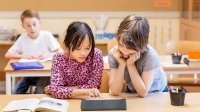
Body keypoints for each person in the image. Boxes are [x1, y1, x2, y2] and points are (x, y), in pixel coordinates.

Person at [108, 15, 168, 98]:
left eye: (129, 49)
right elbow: (114, 91)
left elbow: (143, 93)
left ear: (141, 46)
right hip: (132, 90)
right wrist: (121, 65)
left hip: (157, 91)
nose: (124, 52)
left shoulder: (150, 55)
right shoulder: (114, 54)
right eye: (121, 45)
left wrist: (130, 65)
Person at [5, 9, 61, 94]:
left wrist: (47, 55)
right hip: (28, 73)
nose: (32, 28)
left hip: (44, 74)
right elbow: (7, 55)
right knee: (16, 92)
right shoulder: (22, 38)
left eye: (34, 24)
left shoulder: (46, 35)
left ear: (39, 23)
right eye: (28, 25)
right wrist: (24, 56)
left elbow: (61, 52)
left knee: (39, 93)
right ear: (23, 26)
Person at [45, 22, 104, 99]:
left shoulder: (96, 55)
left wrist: (55, 89)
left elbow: (92, 86)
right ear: (68, 44)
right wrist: (86, 91)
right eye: (78, 48)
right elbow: (57, 90)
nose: (83, 53)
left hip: (89, 100)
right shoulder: (58, 58)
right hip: (66, 102)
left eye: (87, 48)